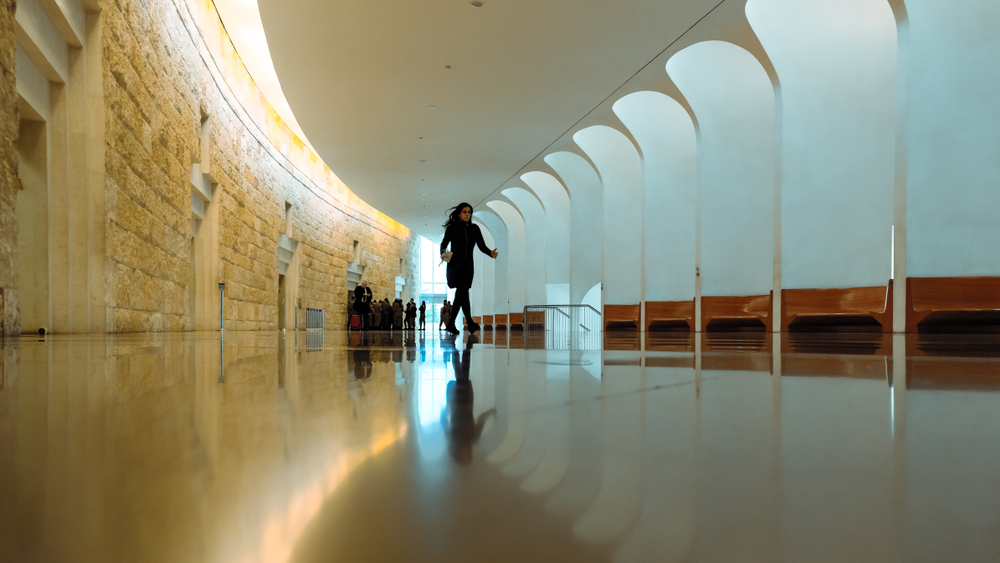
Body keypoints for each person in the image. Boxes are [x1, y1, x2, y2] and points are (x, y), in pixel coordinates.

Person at [440, 203, 498, 335]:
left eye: (469, 212)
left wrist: (490, 253)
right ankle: (469, 323)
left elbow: (481, 246)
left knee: (462, 294)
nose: (467, 214)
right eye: (464, 212)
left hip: (468, 266)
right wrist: (442, 253)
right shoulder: (452, 228)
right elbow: (443, 243)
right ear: (459, 213)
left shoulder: (474, 228)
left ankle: (455, 324)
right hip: (455, 265)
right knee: (463, 292)